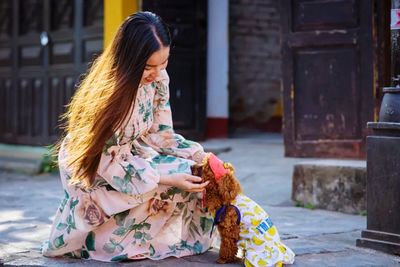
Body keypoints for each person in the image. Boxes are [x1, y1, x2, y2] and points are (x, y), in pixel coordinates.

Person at [41, 11, 215, 262]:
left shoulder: (157, 80)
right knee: (159, 183)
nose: (157, 74)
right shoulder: (108, 95)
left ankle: (136, 237)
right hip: (99, 168)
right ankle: (100, 241)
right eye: (148, 67)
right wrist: (166, 179)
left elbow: (161, 134)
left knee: (190, 171)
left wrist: (200, 156)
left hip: (132, 158)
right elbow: (104, 160)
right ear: (129, 61)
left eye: (163, 64)